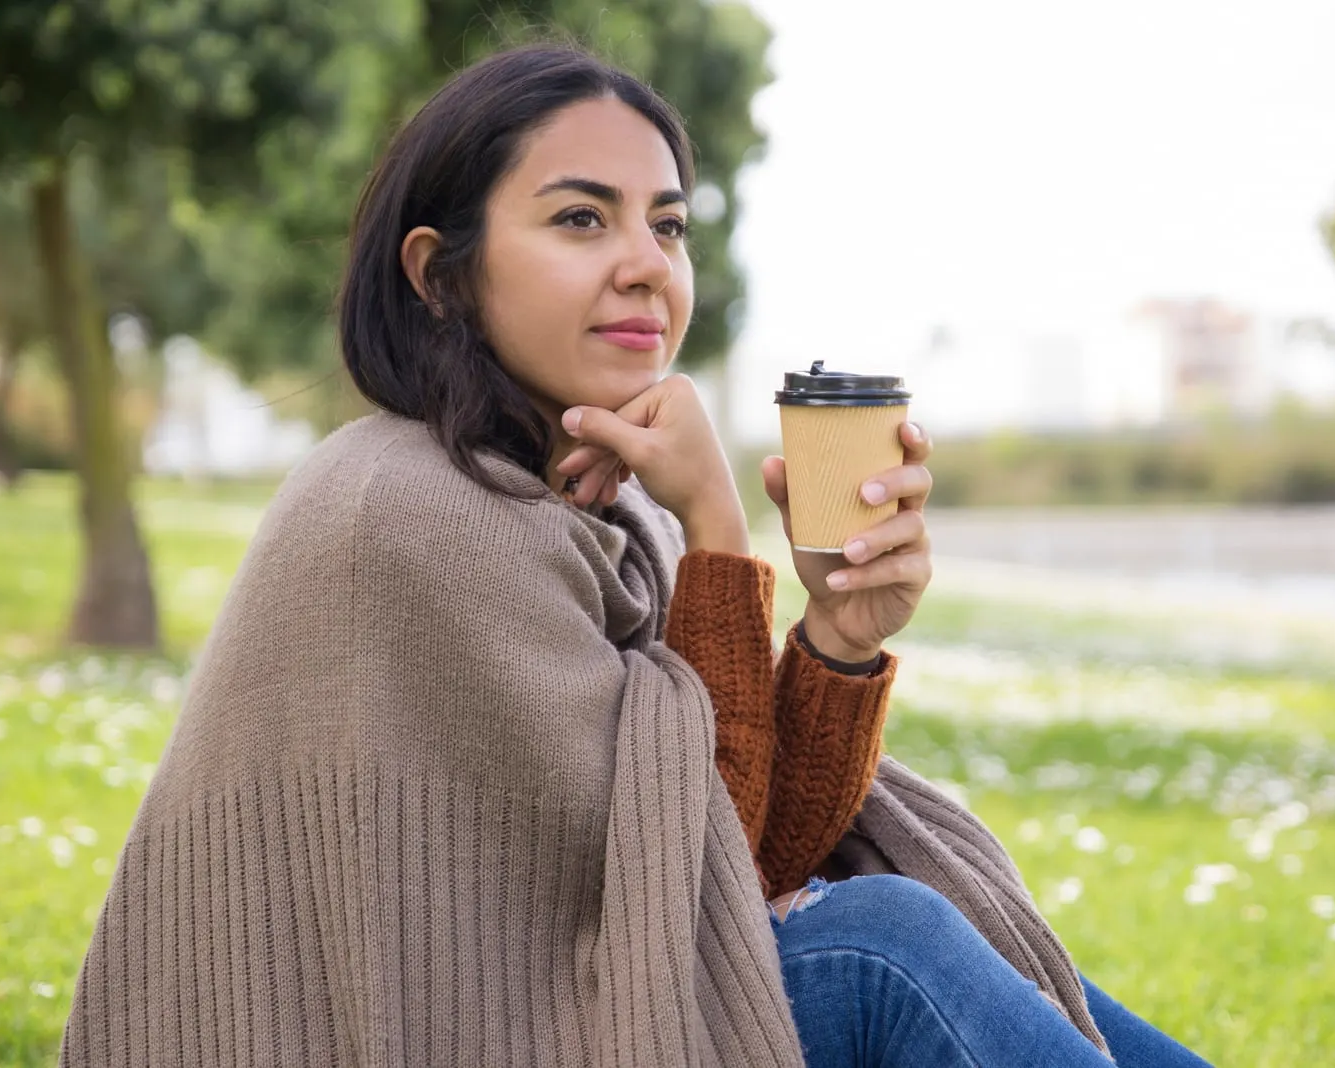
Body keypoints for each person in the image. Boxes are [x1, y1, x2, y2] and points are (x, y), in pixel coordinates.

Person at [59, 45, 1211, 1067]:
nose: (646, 264)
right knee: (884, 945)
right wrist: (719, 526)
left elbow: (742, 857)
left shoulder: (606, 510)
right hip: (463, 1027)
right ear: (439, 273)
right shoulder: (402, 508)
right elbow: (698, 882)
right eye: (580, 219)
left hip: (580, 1002)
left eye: (667, 223)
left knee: (959, 944)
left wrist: (837, 644)